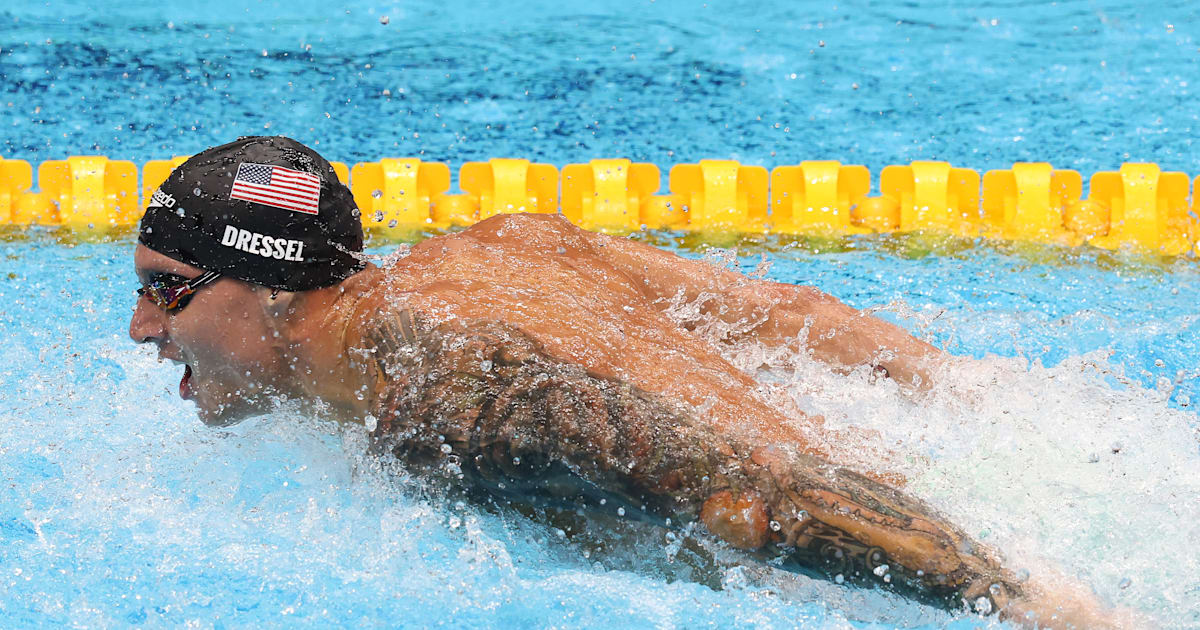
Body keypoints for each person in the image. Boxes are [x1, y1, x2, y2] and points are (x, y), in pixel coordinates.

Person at [129, 136, 1133, 628]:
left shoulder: (446, 386)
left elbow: (749, 498)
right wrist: (1004, 405)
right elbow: (796, 322)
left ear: (267, 286)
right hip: (998, 476)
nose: (140, 329)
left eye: (167, 293)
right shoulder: (502, 247)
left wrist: (1033, 604)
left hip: (916, 536)